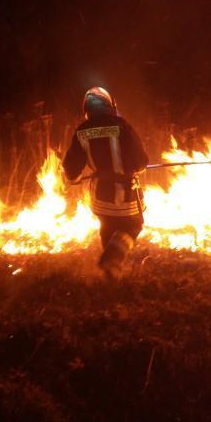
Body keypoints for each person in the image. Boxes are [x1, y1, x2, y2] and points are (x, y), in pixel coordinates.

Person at [62, 87, 149, 278]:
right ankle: (113, 259)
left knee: (107, 228)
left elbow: (71, 169)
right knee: (133, 226)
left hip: (100, 198)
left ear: (87, 110)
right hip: (125, 196)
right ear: (110, 106)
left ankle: (110, 275)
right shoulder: (122, 126)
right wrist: (136, 168)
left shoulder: (82, 131)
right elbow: (141, 162)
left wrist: (74, 179)